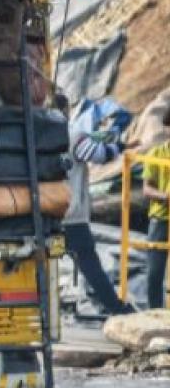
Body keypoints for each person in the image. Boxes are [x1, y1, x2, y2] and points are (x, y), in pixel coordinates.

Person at [64, 99, 133, 315]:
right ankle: (116, 308)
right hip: (70, 214)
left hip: (43, 210)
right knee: (89, 262)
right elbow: (98, 155)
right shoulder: (71, 134)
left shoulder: (37, 132)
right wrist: (120, 147)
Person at [142, 109, 170, 309]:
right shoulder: (156, 153)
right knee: (154, 273)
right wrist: (165, 197)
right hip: (160, 219)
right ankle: (154, 314)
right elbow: (147, 188)